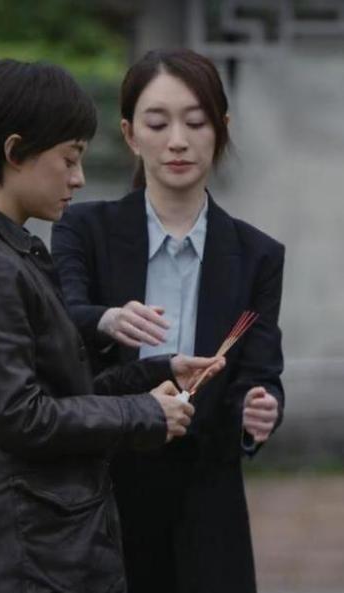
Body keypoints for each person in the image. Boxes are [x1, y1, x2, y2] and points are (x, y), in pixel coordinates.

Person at [0, 58, 224, 593]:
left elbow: (63, 392)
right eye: (69, 159)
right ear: (15, 151)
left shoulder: (10, 250)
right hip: (21, 555)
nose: (78, 178)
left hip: (45, 542)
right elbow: (22, 418)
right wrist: (143, 414)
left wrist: (155, 374)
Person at [51, 48, 285, 593]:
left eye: (196, 122)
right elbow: (62, 321)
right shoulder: (84, 230)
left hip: (209, 498)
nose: (177, 140)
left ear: (221, 130)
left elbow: (259, 371)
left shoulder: (258, 255)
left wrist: (260, 408)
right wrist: (108, 319)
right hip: (105, 490)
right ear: (130, 134)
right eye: (158, 123)